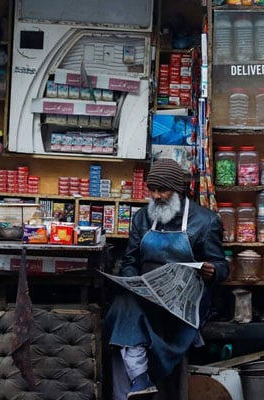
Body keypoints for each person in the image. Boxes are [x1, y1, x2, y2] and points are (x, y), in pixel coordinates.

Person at [103, 158, 229, 400]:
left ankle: (138, 381)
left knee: (124, 311)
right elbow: (130, 261)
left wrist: (213, 271)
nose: (157, 196)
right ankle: (139, 380)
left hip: (183, 303)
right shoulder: (142, 218)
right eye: (152, 190)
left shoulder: (205, 221)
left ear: (179, 191)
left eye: (163, 190)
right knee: (125, 304)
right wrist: (134, 283)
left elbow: (222, 266)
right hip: (146, 296)